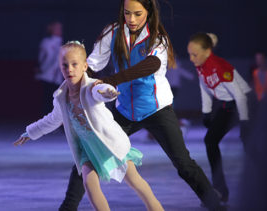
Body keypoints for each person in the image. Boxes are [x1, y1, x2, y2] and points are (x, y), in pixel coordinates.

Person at [59, 0, 226, 211]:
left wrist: (113, 80)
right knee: (87, 154)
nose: (132, 18)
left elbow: (151, 65)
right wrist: (71, 85)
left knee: (184, 164)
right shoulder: (113, 32)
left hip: (158, 110)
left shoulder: (158, 38)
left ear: (148, 11)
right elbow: (90, 65)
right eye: (127, 13)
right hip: (125, 111)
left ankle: (216, 205)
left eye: (138, 13)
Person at [14, 41, 164, 211]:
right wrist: (30, 132)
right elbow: (53, 119)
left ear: (85, 66)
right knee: (89, 183)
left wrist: (107, 92)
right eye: (65, 65)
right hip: (87, 149)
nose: (69, 69)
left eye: (74, 64)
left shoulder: (91, 87)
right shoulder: (61, 97)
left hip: (108, 144)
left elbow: (100, 91)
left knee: (135, 181)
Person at [187, 32, 252, 203]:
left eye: (194, 54)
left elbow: (240, 95)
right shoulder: (201, 64)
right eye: (190, 54)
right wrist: (206, 111)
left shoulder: (219, 65)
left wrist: (245, 122)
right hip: (227, 106)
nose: (191, 59)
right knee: (210, 141)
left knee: (251, 147)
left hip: (244, 105)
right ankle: (220, 190)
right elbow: (204, 87)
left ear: (208, 51)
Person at [35, 21, 64, 116]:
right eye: (57, 28)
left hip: (58, 76)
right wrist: (41, 69)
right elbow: (42, 58)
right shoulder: (47, 42)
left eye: (60, 28)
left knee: (58, 101)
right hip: (47, 75)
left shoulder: (61, 42)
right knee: (48, 100)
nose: (60, 30)